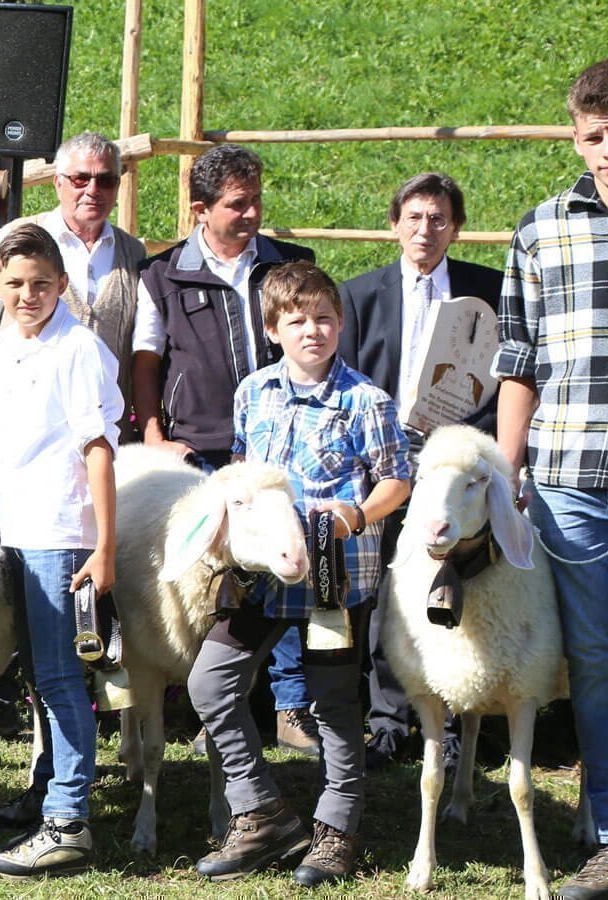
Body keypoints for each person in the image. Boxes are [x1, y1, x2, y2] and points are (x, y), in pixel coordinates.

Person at [495, 58, 608, 900]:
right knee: (598, 663)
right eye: (595, 136)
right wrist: (507, 471)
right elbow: (519, 364)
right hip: (569, 479)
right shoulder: (539, 231)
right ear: (575, 136)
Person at [190, 261, 410, 887]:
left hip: (331, 580)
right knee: (211, 683)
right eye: (296, 320)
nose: (312, 330)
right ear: (273, 330)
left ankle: (337, 828)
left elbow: (398, 477)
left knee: (334, 704)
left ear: (340, 323)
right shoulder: (252, 392)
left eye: (323, 318)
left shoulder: (365, 401)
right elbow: (239, 469)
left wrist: (356, 515)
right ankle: (260, 810)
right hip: (260, 573)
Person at [0, 131, 145, 755]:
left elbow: (140, 346)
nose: (92, 189)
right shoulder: (17, 256)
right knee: (41, 651)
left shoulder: (129, 255)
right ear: (56, 181)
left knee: (63, 659)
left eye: (105, 180)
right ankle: (48, 781)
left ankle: (66, 799)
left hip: (76, 475)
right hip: (24, 472)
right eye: (79, 178)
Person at [132, 144, 322, 758]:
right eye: (237, 205)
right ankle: (202, 695)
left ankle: (290, 705)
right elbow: (147, 359)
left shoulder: (290, 265)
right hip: (204, 450)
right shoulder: (162, 275)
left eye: (256, 201)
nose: (251, 214)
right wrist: (156, 431)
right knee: (205, 581)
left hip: (276, 450)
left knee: (282, 570)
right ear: (200, 210)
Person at [337, 172, 502, 771]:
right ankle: (388, 721)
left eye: (438, 219)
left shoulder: (488, 292)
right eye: (414, 218)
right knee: (387, 594)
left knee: (455, 589)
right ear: (394, 225)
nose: (425, 230)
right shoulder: (359, 296)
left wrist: (461, 442)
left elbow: (499, 380)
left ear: (455, 227)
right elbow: (349, 382)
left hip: (450, 466)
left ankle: (453, 721)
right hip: (385, 466)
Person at [0, 224, 120, 879]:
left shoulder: (79, 348)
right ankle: (47, 790)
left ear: (62, 284)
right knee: (37, 675)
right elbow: (10, 437)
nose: (27, 295)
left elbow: (97, 448)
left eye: (40, 283)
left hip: (64, 535)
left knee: (62, 682)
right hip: (19, 530)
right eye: (14, 285)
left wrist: (105, 544)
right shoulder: (7, 344)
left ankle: (67, 824)